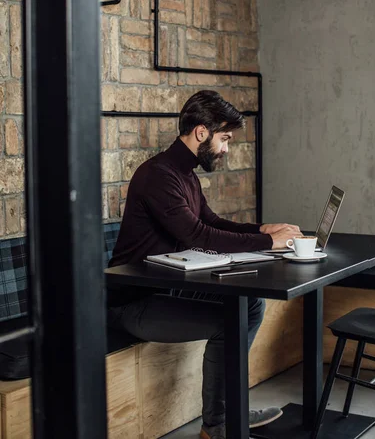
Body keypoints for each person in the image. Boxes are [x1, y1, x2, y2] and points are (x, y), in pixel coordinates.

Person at [108, 90, 302, 439]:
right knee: (229, 321)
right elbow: (199, 235)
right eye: (224, 139)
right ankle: (219, 424)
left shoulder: (185, 176)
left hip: (167, 290)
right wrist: (267, 242)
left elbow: (212, 222)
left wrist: (262, 229)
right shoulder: (158, 176)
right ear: (201, 132)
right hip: (134, 302)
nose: (227, 148)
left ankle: (228, 411)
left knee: (251, 304)